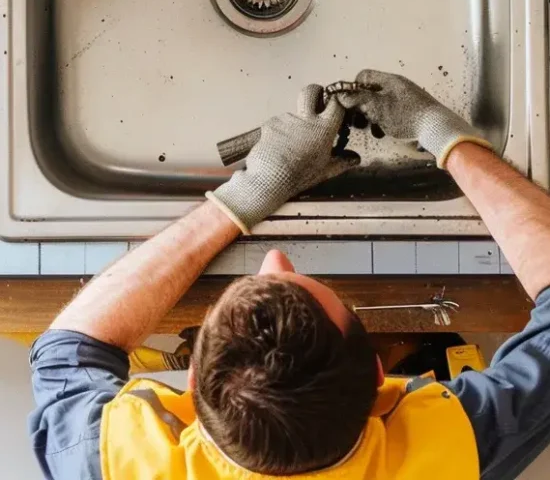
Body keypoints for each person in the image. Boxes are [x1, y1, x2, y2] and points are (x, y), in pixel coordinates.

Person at [29, 70, 550, 480]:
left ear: (191, 383)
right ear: (377, 375)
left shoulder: (120, 464)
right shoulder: (446, 456)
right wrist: (442, 134)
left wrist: (248, 195)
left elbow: (67, 349)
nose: (274, 261)